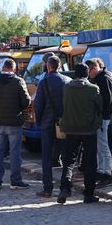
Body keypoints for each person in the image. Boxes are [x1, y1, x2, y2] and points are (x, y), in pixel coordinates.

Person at [57, 63, 102, 204]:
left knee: (69, 161)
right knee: (90, 162)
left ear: (75, 74)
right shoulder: (93, 89)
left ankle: (65, 187)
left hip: (71, 128)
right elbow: (99, 107)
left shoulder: (67, 88)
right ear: (87, 73)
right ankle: (89, 193)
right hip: (89, 129)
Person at [0, 59, 31, 190]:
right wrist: (19, 109)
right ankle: (15, 181)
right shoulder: (18, 81)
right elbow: (26, 100)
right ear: (14, 69)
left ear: (3, 68)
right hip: (14, 122)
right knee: (15, 152)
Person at [33, 55, 70, 198]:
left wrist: (40, 121)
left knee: (47, 158)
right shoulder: (68, 81)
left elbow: (38, 104)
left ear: (48, 66)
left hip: (47, 123)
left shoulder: (44, 82)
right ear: (60, 65)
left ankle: (48, 188)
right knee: (67, 156)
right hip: (64, 123)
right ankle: (65, 187)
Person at [85, 57, 112, 189]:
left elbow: (107, 99)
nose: (88, 75)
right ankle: (102, 171)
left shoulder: (103, 79)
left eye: (89, 72)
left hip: (102, 117)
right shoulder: (102, 77)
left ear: (94, 68)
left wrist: (100, 113)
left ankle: (106, 174)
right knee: (100, 145)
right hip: (102, 116)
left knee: (103, 145)